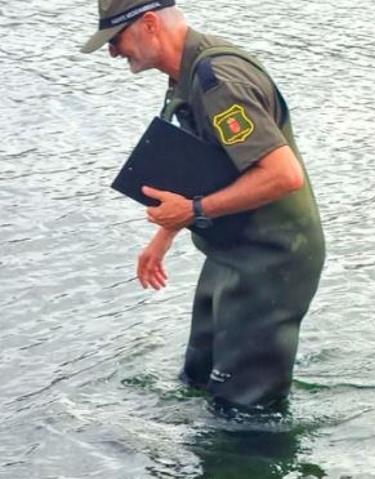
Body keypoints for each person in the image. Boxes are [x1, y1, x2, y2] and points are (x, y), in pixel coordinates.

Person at [81, 0, 325, 410]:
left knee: (243, 408)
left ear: (149, 24)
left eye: (116, 39)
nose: (113, 51)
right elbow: (205, 170)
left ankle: (252, 467)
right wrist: (165, 234)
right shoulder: (185, 77)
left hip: (275, 257)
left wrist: (193, 212)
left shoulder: (218, 80)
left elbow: (284, 174)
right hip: (232, 248)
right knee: (197, 377)